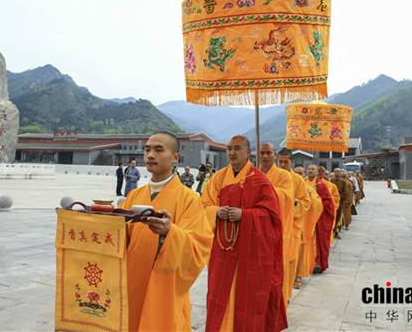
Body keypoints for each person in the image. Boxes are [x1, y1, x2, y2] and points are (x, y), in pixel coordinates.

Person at [118, 131, 214, 331]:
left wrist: (170, 232)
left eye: (158, 150)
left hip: (165, 289)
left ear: (175, 157)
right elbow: (119, 239)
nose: (150, 155)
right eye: (147, 150)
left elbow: (199, 248)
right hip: (132, 283)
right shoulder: (134, 195)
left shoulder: (189, 199)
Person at [201, 135, 287, 331]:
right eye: (229, 148)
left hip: (249, 252)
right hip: (223, 248)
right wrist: (215, 211)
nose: (232, 152)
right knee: (218, 294)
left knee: (247, 297)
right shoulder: (219, 177)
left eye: (237, 148)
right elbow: (203, 205)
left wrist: (245, 215)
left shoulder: (260, 179)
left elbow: (271, 215)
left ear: (249, 152)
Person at [259, 142, 294, 309]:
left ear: (274, 156)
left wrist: (264, 188)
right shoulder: (253, 174)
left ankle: (277, 306)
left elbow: (287, 198)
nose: (265, 156)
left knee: (276, 273)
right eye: (262, 153)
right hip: (257, 231)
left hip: (276, 231)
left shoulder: (284, 176)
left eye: (268, 153)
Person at [277, 149, 310, 294]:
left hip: (290, 228)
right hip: (273, 227)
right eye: (280, 161)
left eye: (286, 162)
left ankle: (285, 294)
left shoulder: (297, 180)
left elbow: (306, 203)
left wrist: (292, 204)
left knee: (288, 263)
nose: (283, 164)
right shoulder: (271, 177)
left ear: (291, 162)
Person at [305, 164, 334, 273]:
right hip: (304, 216)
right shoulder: (303, 182)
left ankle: (316, 263)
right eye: (309, 169)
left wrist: (314, 200)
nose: (310, 171)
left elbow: (328, 203)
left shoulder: (321, 185)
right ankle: (304, 263)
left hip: (317, 218)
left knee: (316, 242)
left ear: (317, 172)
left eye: (313, 169)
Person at [329, 168, 348, 240]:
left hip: (339, 203)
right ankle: (331, 231)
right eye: (335, 171)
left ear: (340, 173)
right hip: (331, 203)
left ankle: (336, 232)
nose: (336, 173)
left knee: (338, 218)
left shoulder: (343, 182)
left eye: (338, 172)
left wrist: (338, 198)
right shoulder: (331, 181)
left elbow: (345, 193)